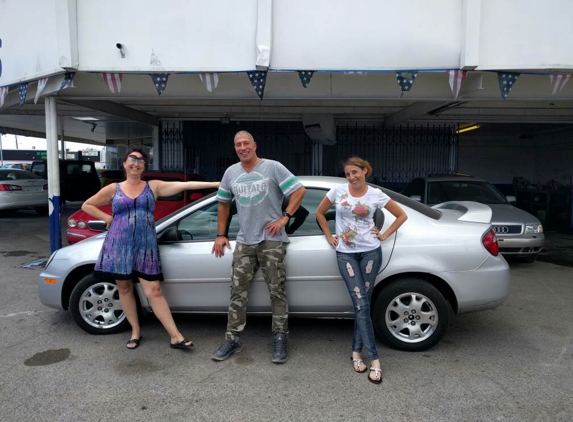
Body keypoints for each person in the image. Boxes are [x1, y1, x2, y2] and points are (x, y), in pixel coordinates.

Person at [82, 146, 220, 351]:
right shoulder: (114, 189)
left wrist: (216, 183)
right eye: (132, 158)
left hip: (145, 245)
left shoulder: (153, 187)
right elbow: (88, 205)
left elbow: (184, 185)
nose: (136, 162)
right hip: (118, 243)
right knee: (125, 288)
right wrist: (107, 218)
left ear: (144, 166)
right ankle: (135, 331)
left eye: (141, 160)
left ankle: (175, 336)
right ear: (124, 163)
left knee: (154, 291)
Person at [211, 130, 306, 364]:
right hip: (244, 240)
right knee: (237, 292)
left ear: (255, 145)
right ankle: (232, 338)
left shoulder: (273, 167)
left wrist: (285, 217)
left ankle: (281, 338)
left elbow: (299, 190)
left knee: (277, 291)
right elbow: (223, 204)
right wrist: (221, 234)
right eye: (238, 144)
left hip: (271, 239)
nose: (242, 147)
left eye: (246, 143)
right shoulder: (230, 172)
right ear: (235, 148)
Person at [315, 156, 407, 384]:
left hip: (371, 253)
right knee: (361, 303)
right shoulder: (337, 191)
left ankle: (356, 353)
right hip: (345, 253)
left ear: (365, 171)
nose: (351, 177)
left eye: (355, 172)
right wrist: (329, 235)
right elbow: (319, 213)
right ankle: (375, 360)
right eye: (347, 174)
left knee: (362, 303)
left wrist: (384, 235)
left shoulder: (375, 194)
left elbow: (401, 215)